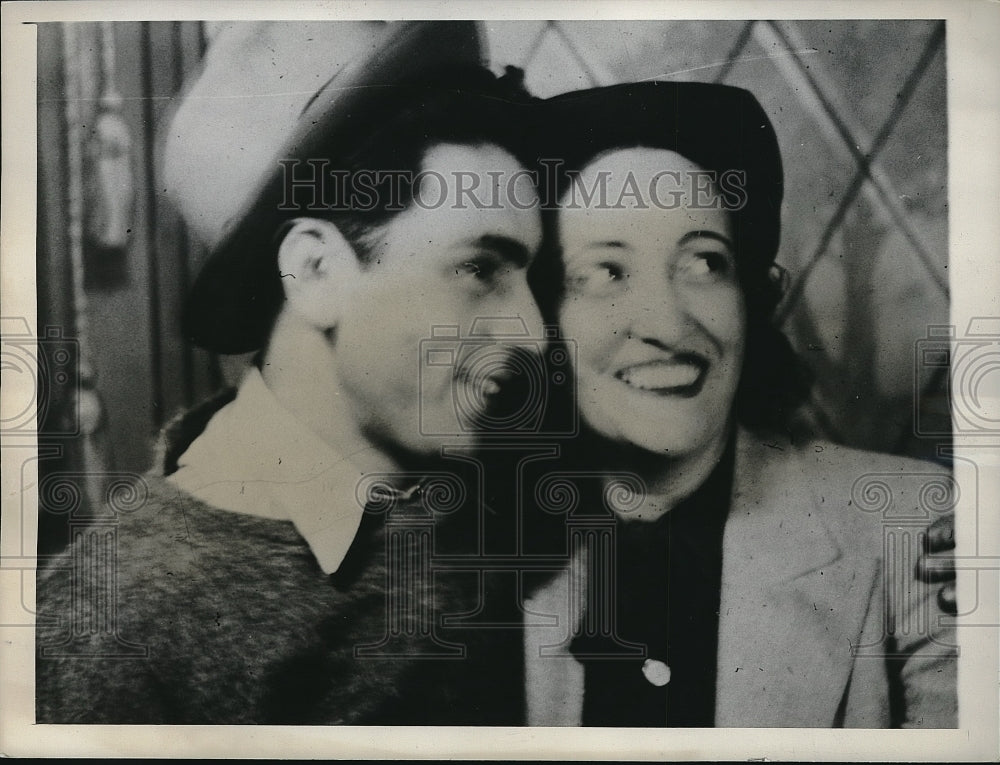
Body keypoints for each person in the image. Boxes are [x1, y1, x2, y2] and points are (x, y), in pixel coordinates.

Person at [35, 21, 546, 724]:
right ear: (313, 270)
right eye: (478, 268)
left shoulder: (467, 523)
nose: (535, 335)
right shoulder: (106, 629)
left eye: (530, 277)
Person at [522, 80, 958, 727]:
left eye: (705, 262)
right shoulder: (471, 559)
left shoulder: (915, 530)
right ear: (539, 317)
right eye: (605, 272)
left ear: (751, 298)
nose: (667, 323)